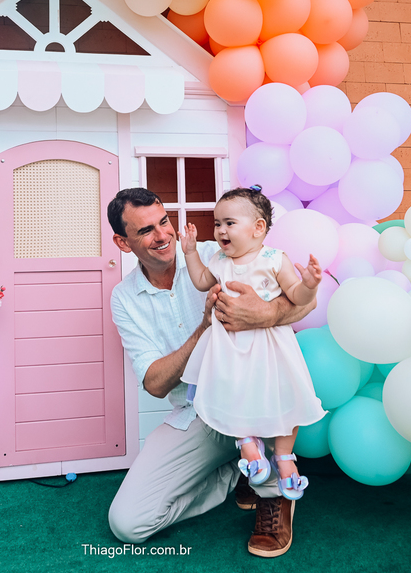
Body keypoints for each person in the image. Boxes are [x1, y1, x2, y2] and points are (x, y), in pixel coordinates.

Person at [106, 187, 317, 558]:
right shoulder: (124, 298)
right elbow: (154, 383)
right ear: (123, 243)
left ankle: (272, 496)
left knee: (271, 392)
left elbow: (305, 303)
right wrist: (205, 327)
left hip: (252, 390)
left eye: (164, 222)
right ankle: (235, 472)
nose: (163, 235)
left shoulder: (220, 251)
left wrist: (263, 313)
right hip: (197, 412)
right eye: (146, 231)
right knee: (128, 523)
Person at [180, 186, 326, 503]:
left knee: (286, 397)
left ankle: (284, 456)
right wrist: (190, 253)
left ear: (258, 227)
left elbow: (296, 296)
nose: (220, 230)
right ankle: (247, 442)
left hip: (270, 344)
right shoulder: (220, 259)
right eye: (217, 223)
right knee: (232, 392)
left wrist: (309, 286)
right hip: (229, 348)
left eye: (229, 223)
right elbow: (202, 281)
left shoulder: (274, 259)